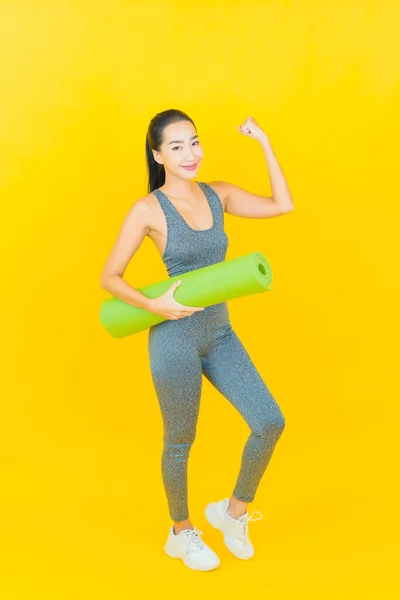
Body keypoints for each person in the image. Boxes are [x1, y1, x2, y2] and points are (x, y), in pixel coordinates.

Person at [100, 109, 294, 571]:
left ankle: (232, 514)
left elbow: (281, 204)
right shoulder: (148, 209)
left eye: (194, 142)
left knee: (269, 422)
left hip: (220, 333)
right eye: (177, 146)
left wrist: (264, 142)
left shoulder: (218, 194)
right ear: (158, 155)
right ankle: (181, 531)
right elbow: (110, 276)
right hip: (175, 340)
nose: (190, 154)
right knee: (181, 440)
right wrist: (153, 306)